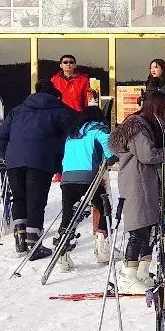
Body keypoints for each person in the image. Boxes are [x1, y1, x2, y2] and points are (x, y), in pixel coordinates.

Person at [0, 82, 78, 257]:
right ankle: (34, 246)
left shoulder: (17, 110)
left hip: (14, 162)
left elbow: (1, 136)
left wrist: (6, 156)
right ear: (55, 96)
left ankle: (20, 242)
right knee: (36, 200)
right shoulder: (58, 109)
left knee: (19, 199)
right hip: (40, 160)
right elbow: (78, 124)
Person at [109, 93, 165, 291]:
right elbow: (147, 155)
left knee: (150, 228)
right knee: (138, 229)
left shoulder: (143, 125)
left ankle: (142, 272)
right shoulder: (137, 127)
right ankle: (128, 274)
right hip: (138, 183)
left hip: (145, 182)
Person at [59, 104, 115, 265]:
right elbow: (110, 151)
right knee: (104, 207)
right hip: (89, 176)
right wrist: (111, 158)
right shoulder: (99, 129)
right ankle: (102, 242)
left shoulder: (72, 133)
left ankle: (63, 254)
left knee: (68, 215)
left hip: (68, 177)